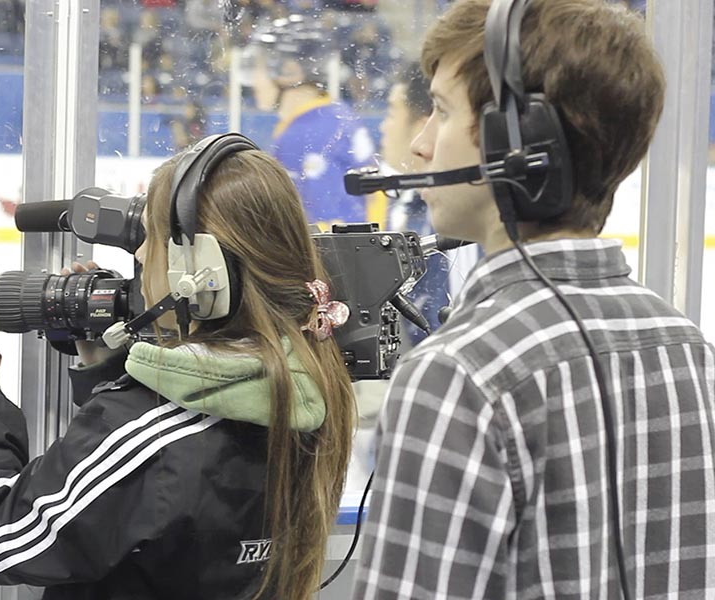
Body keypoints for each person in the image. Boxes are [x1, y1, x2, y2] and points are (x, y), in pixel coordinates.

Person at [353, 1, 715, 599]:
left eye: (440, 112)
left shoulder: (457, 377)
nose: (419, 146)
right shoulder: (693, 352)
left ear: (522, 146)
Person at [0, 139, 356, 600]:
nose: (139, 257)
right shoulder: (312, 389)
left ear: (200, 272)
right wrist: (105, 375)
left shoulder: (151, 430)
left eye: (151, 238)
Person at [380, 60, 480, 345]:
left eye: (391, 112)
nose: (385, 127)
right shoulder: (409, 205)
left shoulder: (453, 217)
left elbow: (454, 333)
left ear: (422, 126)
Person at [247, 15, 381, 228]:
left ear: (289, 70)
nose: (253, 81)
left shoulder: (305, 133)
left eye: (258, 68)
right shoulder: (331, 115)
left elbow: (325, 231)